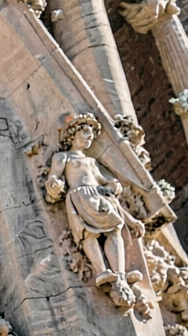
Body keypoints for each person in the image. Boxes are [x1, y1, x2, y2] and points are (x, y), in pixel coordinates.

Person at [44, 114, 144, 289]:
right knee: (88, 233)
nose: (90, 137)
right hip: (80, 197)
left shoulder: (91, 161)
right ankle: (101, 271)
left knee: (114, 229)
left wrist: (112, 184)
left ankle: (120, 274)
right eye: (85, 132)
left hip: (99, 195)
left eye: (91, 134)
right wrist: (54, 184)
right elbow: (53, 176)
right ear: (73, 134)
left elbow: (100, 179)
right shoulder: (63, 157)